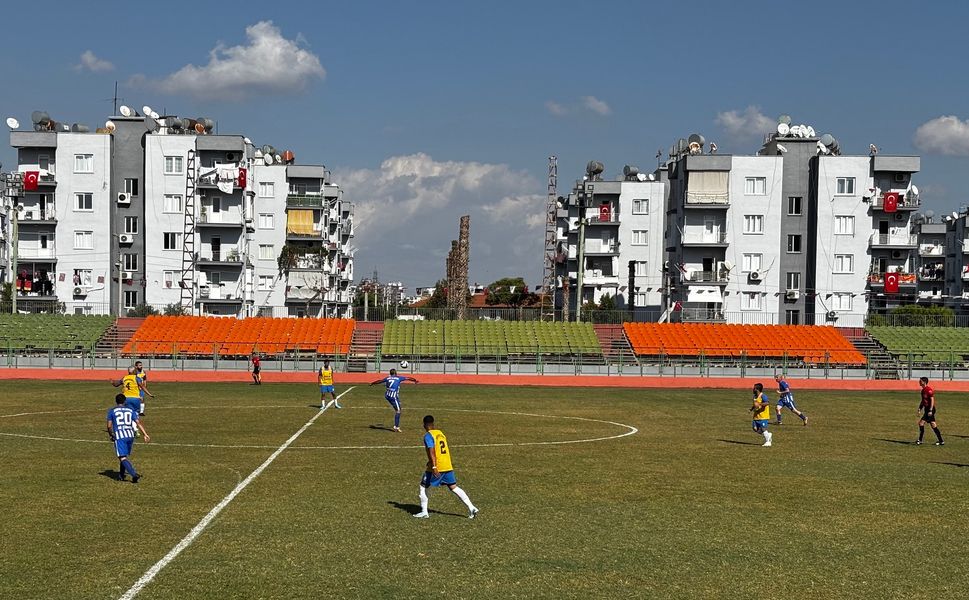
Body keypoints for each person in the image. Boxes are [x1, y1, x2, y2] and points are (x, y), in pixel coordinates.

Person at [413, 414, 479, 519]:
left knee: (423, 486)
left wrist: (434, 466)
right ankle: (472, 508)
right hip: (447, 464)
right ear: (433, 423)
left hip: (437, 466)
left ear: (424, 425)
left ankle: (424, 512)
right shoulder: (440, 433)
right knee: (453, 487)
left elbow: (432, 450)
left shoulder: (428, 436)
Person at [106, 393, 150, 483]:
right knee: (124, 456)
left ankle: (134, 475)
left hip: (120, 436)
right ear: (125, 401)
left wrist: (111, 434)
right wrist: (145, 434)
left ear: (116, 401)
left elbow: (109, 426)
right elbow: (138, 422)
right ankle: (121, 475)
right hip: (130, 435)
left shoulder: (112, 411)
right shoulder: (130, 410)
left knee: (122, 457)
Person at [370, 368, 418, 432]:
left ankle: (397, 404)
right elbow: (408, 378)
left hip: (387, 395)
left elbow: (379, 381)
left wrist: (372, 383)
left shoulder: (387, 378)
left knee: (397, 404)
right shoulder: (399, 378)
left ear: (390, 373)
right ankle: (396, 427)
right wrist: (415, 380)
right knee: (398, 411)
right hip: (393, 397)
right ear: (396, 373)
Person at [916, 377, 944, 446]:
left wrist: (930, 410)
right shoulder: (923, 390)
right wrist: (920, 408)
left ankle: (920, 440)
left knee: (921, 423)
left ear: (924, 382)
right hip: (927, 409)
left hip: (930, 409)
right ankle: (941, 441)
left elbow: (932, 400)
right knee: (933, 425)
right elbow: (923, 401)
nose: (919, 382)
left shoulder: (929, 390)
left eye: (920, 381)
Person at [750, 382, 773, 447]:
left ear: (757, 389)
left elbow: (767, 403)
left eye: (754, 388)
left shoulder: (763, 396)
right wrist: (751, 409)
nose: (753, 389)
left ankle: (768, 442)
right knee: (755, 429)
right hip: (756, 416)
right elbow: (755, 404)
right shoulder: (755, 396)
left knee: (763, 429)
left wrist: (759, 404)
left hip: (763, 416)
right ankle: (768, 434)